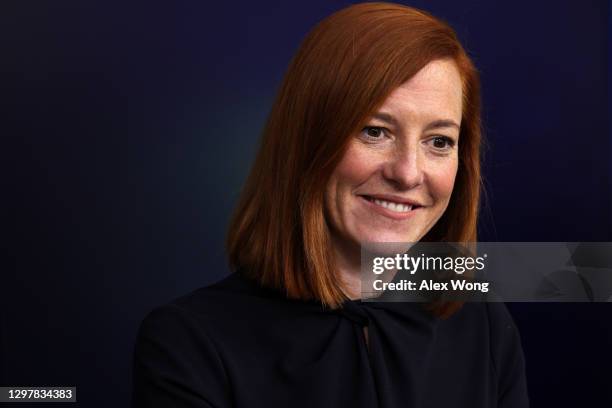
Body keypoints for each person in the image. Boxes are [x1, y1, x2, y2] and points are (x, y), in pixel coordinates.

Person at [131, 2, 529, 407]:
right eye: (375, 131)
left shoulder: (483, 325)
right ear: (308, 141)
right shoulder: (190, 345)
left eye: (439, 141)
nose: (408, 174)